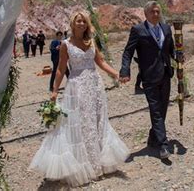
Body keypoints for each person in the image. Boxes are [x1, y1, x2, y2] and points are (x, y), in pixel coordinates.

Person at [30, 12, 129, 187]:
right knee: (80, 124)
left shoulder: (91, 42)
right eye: (79, 21)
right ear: (73, 24)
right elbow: (60, 69)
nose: (82, 23)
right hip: (76, 88)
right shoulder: (65, 45)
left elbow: (100, 62)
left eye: (84, 21)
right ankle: (83, 166)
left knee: (97, 121)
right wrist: (54, 90)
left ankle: (99, 163)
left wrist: (116, 74)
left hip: (95, 87)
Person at [119, 1, 177, 160]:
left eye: (158, 11)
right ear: (146, 14)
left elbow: (171, 49)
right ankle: (163, 145)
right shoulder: (138, 30)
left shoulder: (166, 28)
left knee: (163, 108)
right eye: (152, 12)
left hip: (165, 74)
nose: (156, 14)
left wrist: (178, 56)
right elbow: (128, 52)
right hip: (149, 76)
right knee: (156, 109)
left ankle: (153, 137)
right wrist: (125, 70)